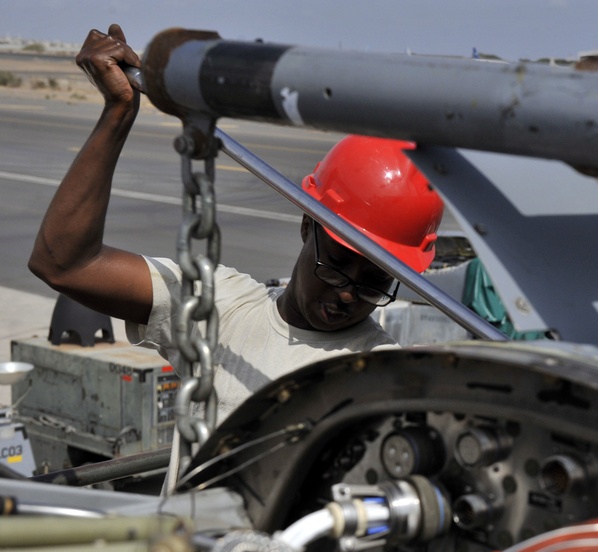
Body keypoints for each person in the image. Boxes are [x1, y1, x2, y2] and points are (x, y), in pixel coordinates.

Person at [28, 24, 444, 429]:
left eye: (374, 282)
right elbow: (63, 263)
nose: (348, 293)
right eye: (335, 263)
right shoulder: (222, 307)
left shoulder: (380, 375)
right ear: (306, 225)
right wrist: (117, 113)